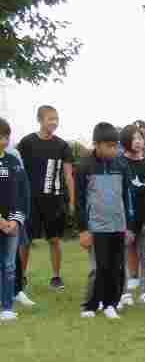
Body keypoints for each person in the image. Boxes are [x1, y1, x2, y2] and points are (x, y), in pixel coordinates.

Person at [76, 122, 134, 320]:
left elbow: (128, 196)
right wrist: (83, 229)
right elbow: (80, 201)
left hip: (118, 225)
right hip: (96, 226)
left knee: (117, 268)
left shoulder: (121, 165)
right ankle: (90, 305)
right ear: (96, 144)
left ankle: (111, 304)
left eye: (115, 145)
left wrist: (129, 227)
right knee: (100, 268)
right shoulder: (84, 166)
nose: (113, 150)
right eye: (109, 146)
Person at [17, 104, 74, 292]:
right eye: (50, 119)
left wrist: (73, 201)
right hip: (30, 200)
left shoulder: (62, 146)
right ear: (40, 120)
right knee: (25, 241)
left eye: (56, 119)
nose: (54, 122)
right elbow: (17, 172)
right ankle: (20, 278)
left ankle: (56, 277)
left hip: (54, 200)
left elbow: (68, 175)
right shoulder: (26, 143)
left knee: (54, 239)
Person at [118, 124, 145, 308]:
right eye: (134, 138)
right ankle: (124, 293)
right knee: (122, 255)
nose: (138, 142)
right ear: (126, 141)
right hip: (126, 216)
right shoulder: (120, 163)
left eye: (140, 138)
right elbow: (126, 190)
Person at [0, 118, 29, 322]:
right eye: (0, 136)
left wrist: (15, 220)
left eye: (6, 136)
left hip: (13, 224)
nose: (3, 140)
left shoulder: (14, 162)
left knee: (9, 265)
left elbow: (23, 194)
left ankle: (7, 307)